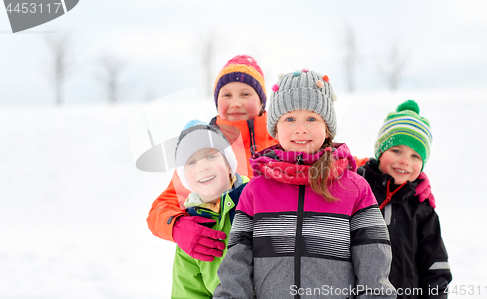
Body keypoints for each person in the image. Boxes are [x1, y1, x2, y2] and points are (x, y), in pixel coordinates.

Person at [214, 70, 396, 298]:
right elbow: (235, 267)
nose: (300, 128)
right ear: (275, 129)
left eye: (311, 118)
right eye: (289, 119)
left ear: (327, 127)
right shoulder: (255, 191)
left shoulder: (355, 189)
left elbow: (374, 267)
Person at [147, 55, 277, 262]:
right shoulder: (203, 149)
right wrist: (178, 227)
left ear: (262, 100)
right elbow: (162, 207)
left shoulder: (284, 139)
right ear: (216, 102)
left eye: (245, 94)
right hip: (220, 266)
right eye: (226, 95)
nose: (235, 103)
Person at [357, 100, 452, 298]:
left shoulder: (422, 209)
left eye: (415, 156)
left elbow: (435, 269)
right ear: (380, 152)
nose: (404, 161)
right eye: (396, 150)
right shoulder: (357, 191)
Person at [170, 120, 250, 298]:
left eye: (211, 156)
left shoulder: (254, 199)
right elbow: (188, 291)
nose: (202, 167)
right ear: (184, 178)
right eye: (191, 163)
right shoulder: (190, 229)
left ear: (229, 165)